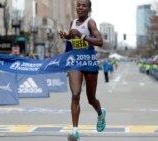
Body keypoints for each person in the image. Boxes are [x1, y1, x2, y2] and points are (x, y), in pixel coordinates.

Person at [58, 0, 106, 140]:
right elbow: (73, 39)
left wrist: (83, 36)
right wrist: (66, 36)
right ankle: (75, 131)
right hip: (76, 61)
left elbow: (100, 41)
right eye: (78, 5)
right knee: (75, 94)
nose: (80, 7)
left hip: (89, 60)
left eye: (84, 5)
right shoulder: (73, 23)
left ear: (89, 9)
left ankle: (100, 113)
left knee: (91, 99)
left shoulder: (91, 23)